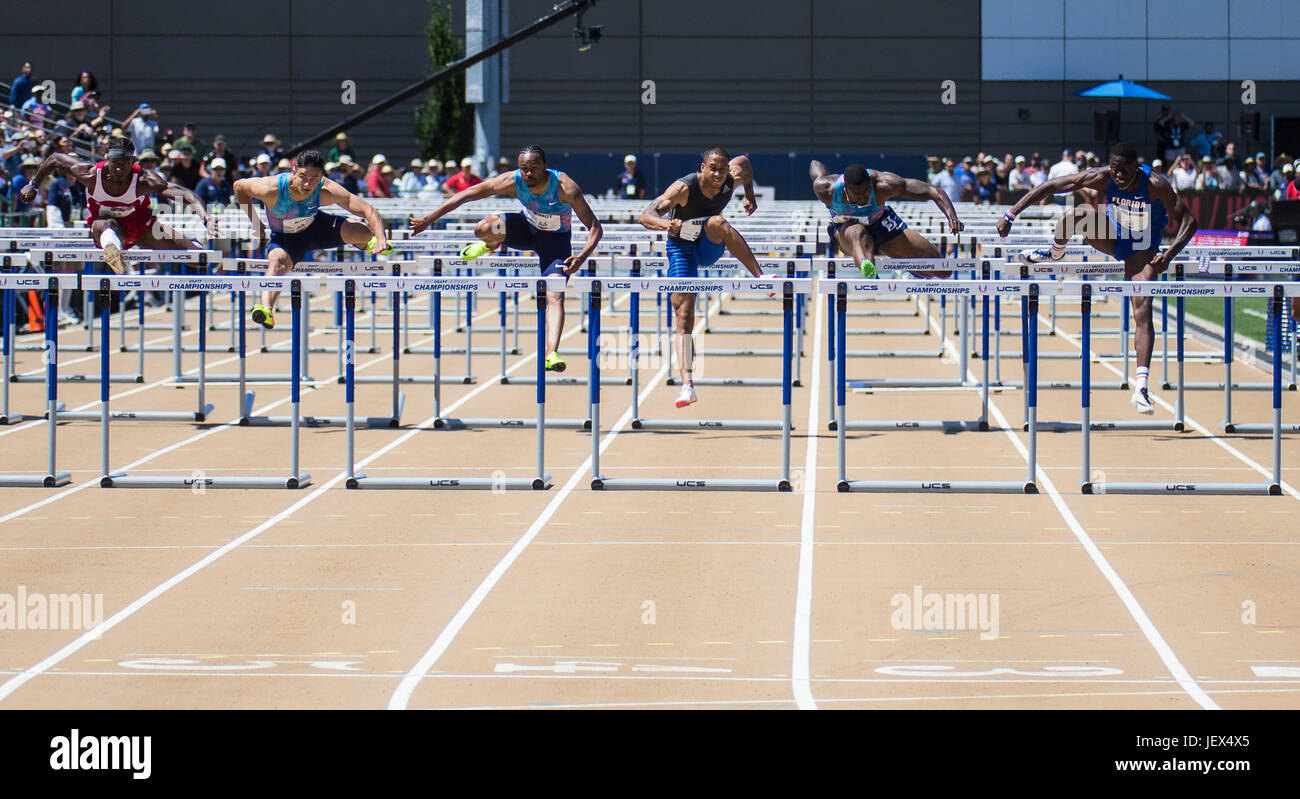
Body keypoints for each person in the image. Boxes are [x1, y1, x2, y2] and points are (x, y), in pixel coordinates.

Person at [997, 142, 1197, 415]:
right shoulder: (1101, 177)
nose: (1119, 176)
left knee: (1142, 307)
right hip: (1112, 236)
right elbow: (1053, 185)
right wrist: (1011, 213)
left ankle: (1141, 386)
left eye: (1125, 171)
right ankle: (1055, 254)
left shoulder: (1155, 183)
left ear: (1136, 168)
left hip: (1143, 247)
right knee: (1079, 214)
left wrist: (1169, 254)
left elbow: (1189, 220)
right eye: (1115, 170)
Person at [410, 145, 604, 373]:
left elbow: (595, 227)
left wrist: (581, 257)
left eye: (534, 168)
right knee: (483, 228)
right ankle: (492, 243)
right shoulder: (513, 181)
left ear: (545, 167)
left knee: (555, 294)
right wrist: (429, 218)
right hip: (524, 230)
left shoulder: (566, 188)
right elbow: (465, 195)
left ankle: (551, 353)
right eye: (524, 169)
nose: (528, 174)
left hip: (555, 242)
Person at [637, 147, 767, 406]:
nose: (718, 173)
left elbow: (747, 165)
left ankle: (761, 277)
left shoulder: (732, 177)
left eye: (722, 168)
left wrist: (749, 197)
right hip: (681, 249)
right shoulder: (683, 189)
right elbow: (646, 215)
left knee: (718, 223)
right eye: (713, 168)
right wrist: (666, 224)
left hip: (708, 245)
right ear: (703, 168)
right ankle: (687, 386)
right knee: (683, 313)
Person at [232, 149, 391, 330]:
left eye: (314, 178)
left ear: (322, 176)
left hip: (317, 228)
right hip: (286, 239)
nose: (308, 183)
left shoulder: (326, 189)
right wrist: (255, 221)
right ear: (294, 172)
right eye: (303, 177)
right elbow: (239, 187)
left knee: (363, 232)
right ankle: (266, 310)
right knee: (276, 262)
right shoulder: (271, 189)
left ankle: (366, 244)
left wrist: (381, 238)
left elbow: (367, 209)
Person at [19, 136, 213, 275]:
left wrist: (206, 216)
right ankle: (113, 251)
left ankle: (193, 242)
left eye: (125, 164)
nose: (120, 168)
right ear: (108, 160)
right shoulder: (91, 174)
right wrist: (34, 185)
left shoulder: (146, 180)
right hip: (107, 226)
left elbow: (186, 193)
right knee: (104, 224)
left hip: (142, 227)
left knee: (198, 260)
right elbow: (54, 159)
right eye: (115, 163)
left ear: (133, 162)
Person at [811, 159, 962, 279]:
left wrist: (952, 218)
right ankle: (867, 267)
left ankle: (904, 263)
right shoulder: (827, 190)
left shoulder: (884, 184)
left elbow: (932, 191)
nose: (863, 197)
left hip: (881, 223)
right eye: (857, 195)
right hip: (847, 230)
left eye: (866, 192)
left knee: (943, 270)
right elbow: (815, 164)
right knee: (857, 232)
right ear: (845, 188)